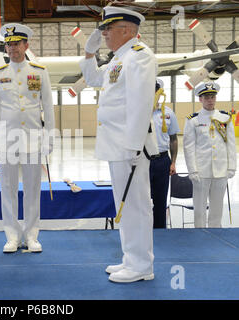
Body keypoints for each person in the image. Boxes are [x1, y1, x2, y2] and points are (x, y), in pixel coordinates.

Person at [80, 6, 157, 283]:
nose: (104, 34)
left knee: (135, 205)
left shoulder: (139, 57)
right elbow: (92, 79)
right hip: (118, 145)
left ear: (127, 30)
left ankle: (141, 266)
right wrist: (89, 54)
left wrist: (134, 146)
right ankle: (131, 259)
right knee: (123, 204)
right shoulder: (118, 59)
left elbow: (141, 102)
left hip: (129, 146)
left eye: (108, 29)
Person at [0, 23, 55, 253]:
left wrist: (49, 139)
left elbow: (48, 107)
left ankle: (32, 236)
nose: (12, 48)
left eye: (16, 44)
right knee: (8, 188)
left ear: (26, 45)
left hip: (33, 138)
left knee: (33, 189)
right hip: (8, 140)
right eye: (8, 44)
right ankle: (12, 236)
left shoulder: (39, 72)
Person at [183, 81, 236, 228]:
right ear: (200, 99)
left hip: (221, 170)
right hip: (201, 171)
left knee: (217, 208)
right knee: (199, 209)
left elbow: (231, 144)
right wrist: (192, 169)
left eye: (213, 97)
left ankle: (215, 235)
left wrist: (232, 167)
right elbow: (189, 147)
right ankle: (199, 234)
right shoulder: (193, 120)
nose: (210, 100)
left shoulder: (225, 118)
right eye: (206, 97)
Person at [150, 79, 180, 228]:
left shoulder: (168, 113)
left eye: (155, 89)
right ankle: (141, 233)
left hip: (162, 160)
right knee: (141, 201)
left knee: (160, 201)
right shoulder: (138, 112)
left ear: (160, 92)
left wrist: (173, 162)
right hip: (143, 161)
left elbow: (173, 138)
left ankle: (160, 232)